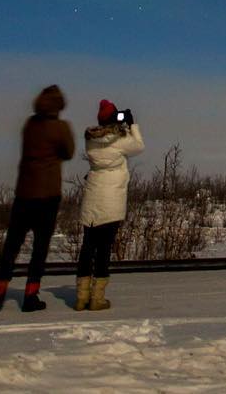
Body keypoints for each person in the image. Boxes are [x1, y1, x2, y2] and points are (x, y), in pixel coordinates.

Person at [0, 84, 75, 312]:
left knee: (12, 245)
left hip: (24, 193)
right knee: (40, 248)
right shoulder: (60, 127)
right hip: (47, 196)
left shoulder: (29, 125)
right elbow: (69, 152)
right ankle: (30, 295)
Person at [75, 99, 145, 311]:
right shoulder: (119, 139)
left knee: (87, 247)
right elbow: (139, 146)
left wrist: (116, 122)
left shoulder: (90, 140)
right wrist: (131, 125)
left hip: (92, 198)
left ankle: (81, 297)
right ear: (115, 118)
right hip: (111, 200)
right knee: (104, 249)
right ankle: (97, 298)